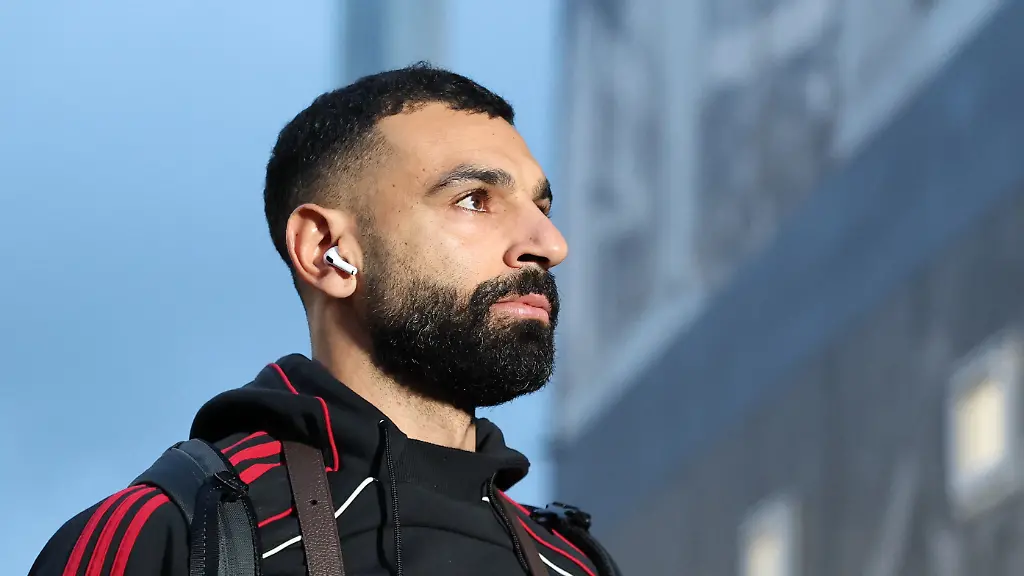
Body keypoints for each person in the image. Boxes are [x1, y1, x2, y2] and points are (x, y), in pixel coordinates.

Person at [29, 64, 617, 576]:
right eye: (473, 199)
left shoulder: (573, 561)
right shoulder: (171, 534)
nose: (551, 244)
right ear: (327, 251)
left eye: (541, 207)